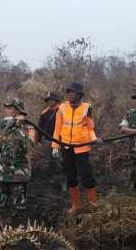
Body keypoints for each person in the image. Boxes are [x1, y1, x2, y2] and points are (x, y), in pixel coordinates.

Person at [52, 82, 102, 214]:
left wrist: (94, 139)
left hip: (82, 147)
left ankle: (92, 203)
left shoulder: (87, 108)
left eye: (72, 92)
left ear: (79, 94)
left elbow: (90, 127)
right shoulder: (62, 108)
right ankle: (76, 205)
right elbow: (57, 129)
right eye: (68, 92)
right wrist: (55, 146)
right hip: (67, 147)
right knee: (71, 176)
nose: (69, 95)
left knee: (87, 175)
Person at [37, 92, 62, 174]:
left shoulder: (63, 111)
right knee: (48, 160)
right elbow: (40, 127)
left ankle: (61, 177)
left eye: (52, 100)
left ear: (56, 100)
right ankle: (51, 179)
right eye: (48, 100)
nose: (50, 102)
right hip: (48, 141)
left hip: (60, 141)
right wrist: (39, 141)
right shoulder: (44, 113)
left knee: (60, 160)